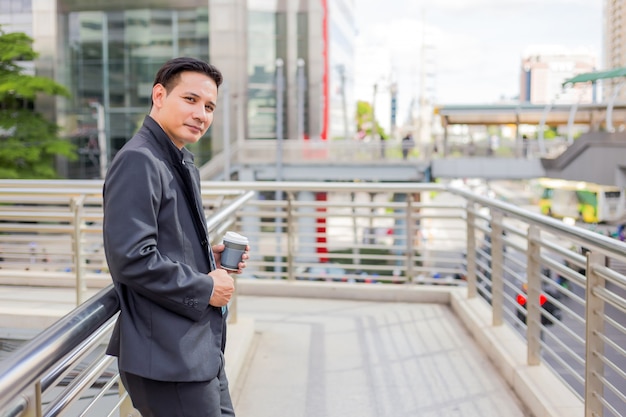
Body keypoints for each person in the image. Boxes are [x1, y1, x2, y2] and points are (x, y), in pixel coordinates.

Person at [102, 57, 249, 417]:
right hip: (168, 360)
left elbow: (163, 245)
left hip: (197, 352)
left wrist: (207, 262)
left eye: (210, 106)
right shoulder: (140, 160)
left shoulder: (178, 160)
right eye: (191, 100)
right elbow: (131, 257)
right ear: (159, 95)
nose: (202, 113)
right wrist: (205, 287)